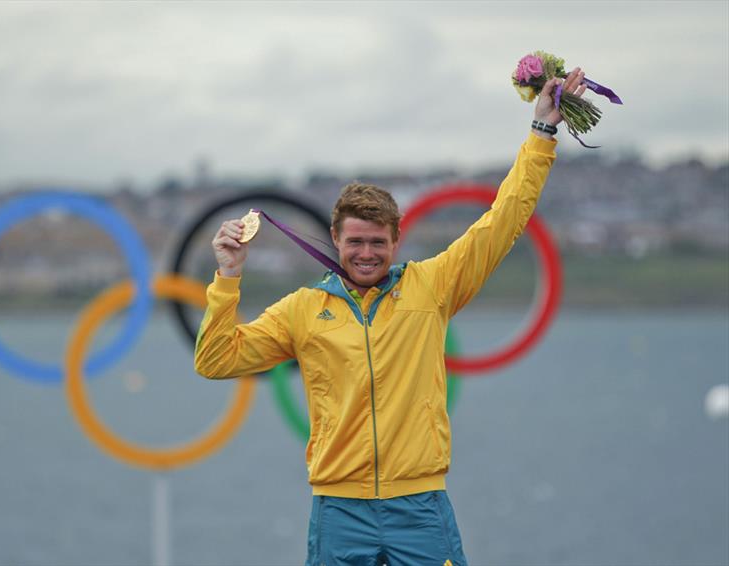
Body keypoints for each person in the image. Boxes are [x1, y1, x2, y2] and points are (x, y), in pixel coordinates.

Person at [195, 68, 588, 566]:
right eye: (355, 242)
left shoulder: (432, 287)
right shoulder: (302, 310)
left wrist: (542, 133)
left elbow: (504, 219)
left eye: (377, 243)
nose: (365, 253)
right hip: (339, 509)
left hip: (419, 506)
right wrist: (228, 276)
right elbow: (214, 360)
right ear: (335, 240)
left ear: (395, 241)